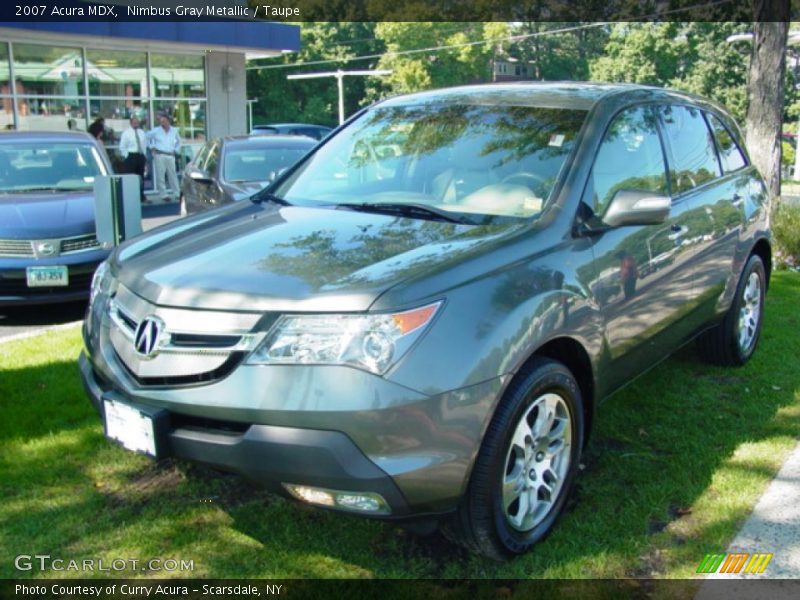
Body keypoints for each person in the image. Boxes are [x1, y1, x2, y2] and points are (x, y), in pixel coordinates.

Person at [148, 114, 181, 202]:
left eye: (164, 121)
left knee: (173, 175)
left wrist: (176, 150)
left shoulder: (174, 130)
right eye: (161, 121)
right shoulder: (156, 131)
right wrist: (152, 147)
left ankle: (177, 193)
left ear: (168, 121)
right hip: (160, 154)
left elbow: (179, 141)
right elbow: (146, 138)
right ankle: (164, 194)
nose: (162, 123)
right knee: (161, 175)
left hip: (170, 155)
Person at [119, 115, 149, 203]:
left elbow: (144, 145)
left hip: (140, 156)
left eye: (137, 122)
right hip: (131, 156)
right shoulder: (126, 133)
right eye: (134, 122)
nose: (136, 124)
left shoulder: (141, 132)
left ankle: (141, 196)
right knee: (131, 178)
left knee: (141, 177)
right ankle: (131, 197)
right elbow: (122, 146)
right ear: (131, 123)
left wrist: (144, 156)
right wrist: (126, 156)